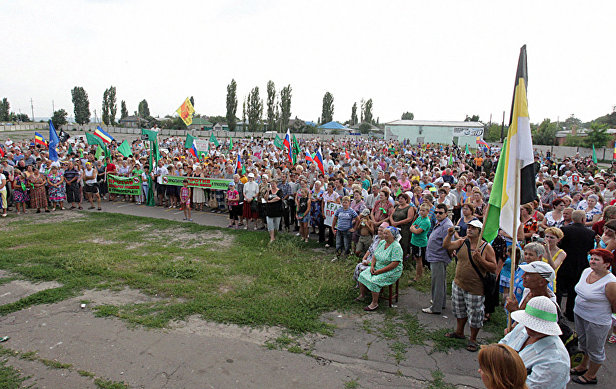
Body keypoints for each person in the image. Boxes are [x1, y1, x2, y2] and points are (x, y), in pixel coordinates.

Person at [443, 219, 497, 352]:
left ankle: (473, 338)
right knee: (459, 309)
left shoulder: (486, 247)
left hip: (475, 287)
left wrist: (481, 260)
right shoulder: (462, 242)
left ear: (479, 232)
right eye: (468, 227)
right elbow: (447, 246)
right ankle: (459, 332)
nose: (469, 230)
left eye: (473, 228)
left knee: (475, 314)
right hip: (459, 283)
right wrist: (449, 235)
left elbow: (493, 267)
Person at [499, 296, 570, 389]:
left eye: (536, 326)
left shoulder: (555, 360)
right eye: (528, 323)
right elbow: (502, 344)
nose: (529, 327)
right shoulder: (523, 328)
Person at [569, 248, 616, 385]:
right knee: (583, 343)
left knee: (595, 348)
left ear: (606, 264)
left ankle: (591, 376)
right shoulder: (586, 271)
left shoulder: (611, 282)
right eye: (592, 258)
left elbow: (614, 305)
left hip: (597, 321)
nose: (592, 261)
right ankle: (583, 366)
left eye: (596, 259)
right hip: (580, 314)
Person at [558, 210, 595, 321]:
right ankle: (570, 313)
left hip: (565, 262)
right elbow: (589, 249)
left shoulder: (565, 230)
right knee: (573, 291)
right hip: (580, 264)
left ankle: (557, 312)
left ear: (573, 219)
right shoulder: (590, 233)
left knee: (559, 289)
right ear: (583, 219)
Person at [356, 226, 403, 311]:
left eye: (387, 234)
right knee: (362, 275)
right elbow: (375, 255)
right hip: (378, 266)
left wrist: (379, 271)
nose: (384, 235)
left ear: (393, 235)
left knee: (375, 281)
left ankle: (374, 303)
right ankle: (363, 295)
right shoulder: (382, 242)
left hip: (392, 270)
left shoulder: (396, 247)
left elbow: (395, 264)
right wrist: (372, 266)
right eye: (384, 233)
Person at [422, 203, 454, 314]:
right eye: (436, 212)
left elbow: (449, 244)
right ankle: (441, 302)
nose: (437, 214)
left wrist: (449, 255)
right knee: (440, 282)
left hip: (439, 257)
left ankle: (436, 307)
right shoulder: (440, 223)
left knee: (437, 283)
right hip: (435, 256)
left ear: (446, 213)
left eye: (440, 213)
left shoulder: (446, 226)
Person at [389, 193, 415, 259]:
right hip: (395, 228)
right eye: (399, 199)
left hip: (404, 229)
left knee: (403, 244)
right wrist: (392, 222)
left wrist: (397, 223)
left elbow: (409, 219)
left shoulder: (409, 207)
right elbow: (391, 215)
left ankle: (403, 259)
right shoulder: (397, 207)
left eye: (402, 199)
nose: (400, 200)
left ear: (406, 200)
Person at [332, 196, 359, 260]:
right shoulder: (339, 210)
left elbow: (358, 219)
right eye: (343, 202)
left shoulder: (351, 211)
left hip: (347, 230)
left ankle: (347, 257)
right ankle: (337, 256)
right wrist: (333, 228)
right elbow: (335, 219)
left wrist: (354, 228)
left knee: (347, 245)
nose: (344, 204)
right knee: (338, 244)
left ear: (349, 203)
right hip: (339, 229)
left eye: (346, 202)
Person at [410, 203, 431, 282]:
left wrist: (413, 229)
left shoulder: (426, 221)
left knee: (419, 260)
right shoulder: (420, 218)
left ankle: (418, 277)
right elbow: (412, 226)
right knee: (416, 259)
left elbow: (417, 231)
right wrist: (413, 228)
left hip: (420, 243)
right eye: (420, 210)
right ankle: (419, 274)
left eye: (423, 211)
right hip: (415, 241)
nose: (421, 212)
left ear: (427, 211)